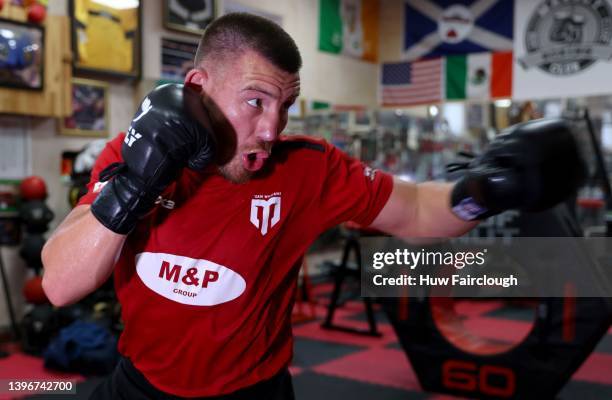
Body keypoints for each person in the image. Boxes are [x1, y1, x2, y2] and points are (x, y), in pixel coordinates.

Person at [41, 13, 585, 400]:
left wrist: (483, 192)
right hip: (140, 384)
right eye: (255, 101)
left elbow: (418, 211)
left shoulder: (306, 169)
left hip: (253, 392)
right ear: (197, 87)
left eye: (285, 106)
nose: (272, 128)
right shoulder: (130, 153)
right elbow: (61, 285)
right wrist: (140, 179)